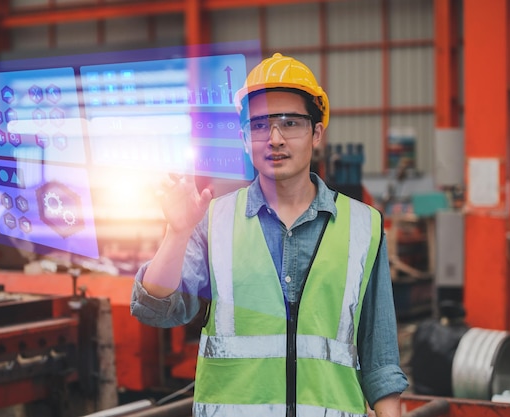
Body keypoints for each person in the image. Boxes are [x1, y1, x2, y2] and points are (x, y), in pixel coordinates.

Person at [130, 52, 408, 417]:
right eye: (259, 125)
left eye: (290, 123)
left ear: (317, 133)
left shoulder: (364, 226)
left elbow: (380, 359)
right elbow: (159, 310)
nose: (274, 138)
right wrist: (177, 233)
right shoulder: (214, 221)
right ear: (245, 139)